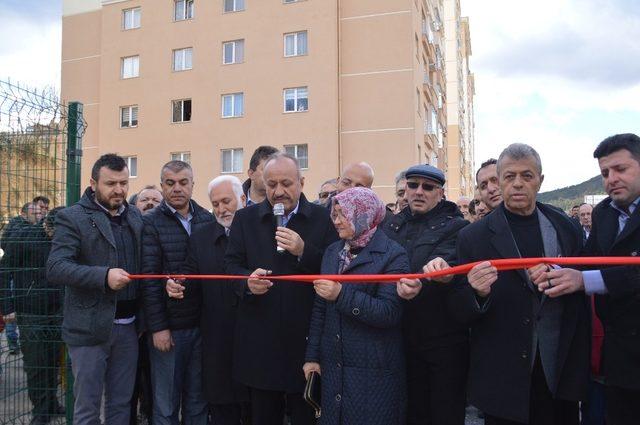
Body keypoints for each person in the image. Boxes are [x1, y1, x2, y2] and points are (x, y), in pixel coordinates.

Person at [445, 144, 589, 425]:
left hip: (558, 372)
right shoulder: (473, 237)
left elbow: (581, 290)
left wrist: (566, 277)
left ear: (541, 180)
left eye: (527, 175)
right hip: (503, 375)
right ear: (499, 181)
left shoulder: (565, 227)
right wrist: (477, 293)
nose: (518, 183)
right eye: (509, 177)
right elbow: (457, 308)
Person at [528, 133, 640, 425]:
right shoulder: (604, 213)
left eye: (621, 169)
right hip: (619, 359)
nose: (611, 178)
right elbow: (585, 258)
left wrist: (583, 281)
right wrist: (552, 268)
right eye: (605, 173)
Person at [225, 152, 338, 425]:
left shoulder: (323, 219)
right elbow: (230, 266)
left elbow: (334, 267)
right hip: (260, 339)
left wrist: (303, 251)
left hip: (306, 339)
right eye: (271, 184)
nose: (278, 192)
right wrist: (247, 282)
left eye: (286, 183)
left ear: (301, 182)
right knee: (264, 415)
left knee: (306, 415)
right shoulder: (246, 219)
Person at [47, 154, 143, 425]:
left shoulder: (135, 216)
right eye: (111, 183)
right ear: (93, 183)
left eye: (124, 183)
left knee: (121, 405)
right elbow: (56, 267)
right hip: (89, 329)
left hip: (129, 326)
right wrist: (103, 277)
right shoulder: (72, 217)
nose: (119, 190)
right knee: (87, 408)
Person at [304, 187, 409, 424]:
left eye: (343, 214)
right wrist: (312, 357)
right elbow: (320, 309)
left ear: (363, 214)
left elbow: (389, 312)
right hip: (333, 370)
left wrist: (341, 294)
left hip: (373, 373)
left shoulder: (393, 255)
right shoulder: (333, 252)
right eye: (334, 214)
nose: (337, 221)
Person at [384, 164, 469, 425]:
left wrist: (431, 280)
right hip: (399, 339)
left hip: (442, 342)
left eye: (428, 187)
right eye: (413, 185)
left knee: (443, 413)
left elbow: (450, 263)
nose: (419, 192)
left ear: (440, 193)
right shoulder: (391, 226)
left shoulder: (458, 228)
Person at [167, 175, 249, 425]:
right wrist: (177, 284)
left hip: (255, 335)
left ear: (242, 199)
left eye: (226, 201)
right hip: (217, 338)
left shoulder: (262, 231)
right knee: (222, 406)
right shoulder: (201, 237)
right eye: (215, 204)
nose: (221, 209)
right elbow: (189, 273)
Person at [141, 160, 213, 425]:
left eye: (183, 182)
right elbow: (149, 279)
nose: (177, 189)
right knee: (166, 404)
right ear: (162, 186)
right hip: (169, 330)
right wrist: (158, 327)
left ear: (193, 184)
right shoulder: (150, 222)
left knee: (197, 402)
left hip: (202, 326)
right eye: (170, 183)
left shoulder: (207, 218)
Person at [1, 207, 65, 424]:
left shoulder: (65, 240)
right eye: (55, 231)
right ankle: (40, 412)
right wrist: (7, 307)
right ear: (47, 224)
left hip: (58, 310)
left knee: (52, 362)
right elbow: (4, 271)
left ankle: (52, 404)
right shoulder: (23, 238)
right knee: (36, 365)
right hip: (30, 311)